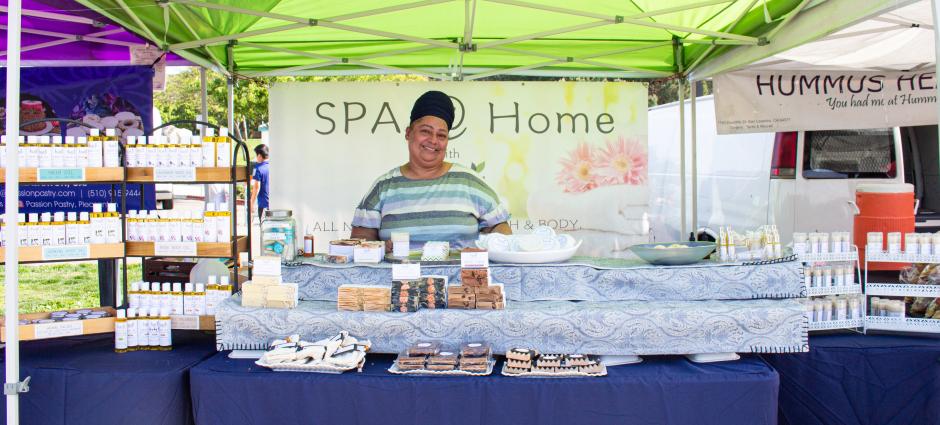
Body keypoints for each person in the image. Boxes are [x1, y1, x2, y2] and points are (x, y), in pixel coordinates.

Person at [350, 90, 511, 249]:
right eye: (425, 131)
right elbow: (359, 239)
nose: (433, 140)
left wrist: (489, 249)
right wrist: (380, 248)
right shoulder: (383, 187)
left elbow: (501, 228)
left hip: (461, 275)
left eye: (441, 135)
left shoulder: (469, 182)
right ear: (408, 133)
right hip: (399, 275)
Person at [250, 144, 270, 220]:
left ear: (259, 155)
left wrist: (251, 203)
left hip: (263, 203)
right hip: (274, 202)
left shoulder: (257, 168)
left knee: (264, 228)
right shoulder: (272, 166)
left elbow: (256, 187)